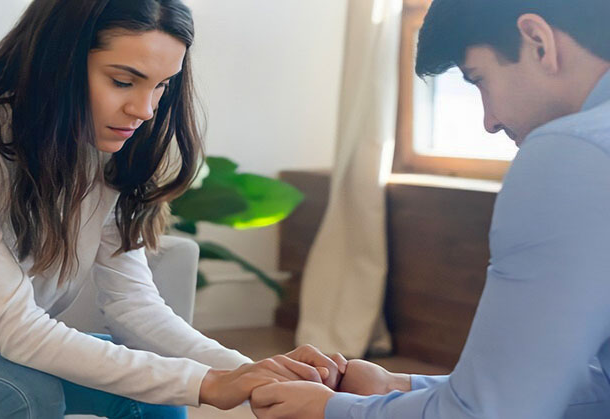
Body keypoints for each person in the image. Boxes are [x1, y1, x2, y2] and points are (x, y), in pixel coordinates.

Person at [0, 1, 341, 417]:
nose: (145, 110)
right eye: (122, 80)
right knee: (20, 391)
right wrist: (208, 384)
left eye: (161, 86)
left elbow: (134, 307)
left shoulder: (101, 146)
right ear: (57, 63)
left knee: (148, 384)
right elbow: (18, 331)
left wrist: (251, 372)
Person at [250, 0, 610, 418]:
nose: (489, 122)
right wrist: (399, 387)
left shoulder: (574, 151)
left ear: (537, 42)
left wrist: (333, 411)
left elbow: (489, 414)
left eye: (479, 79)